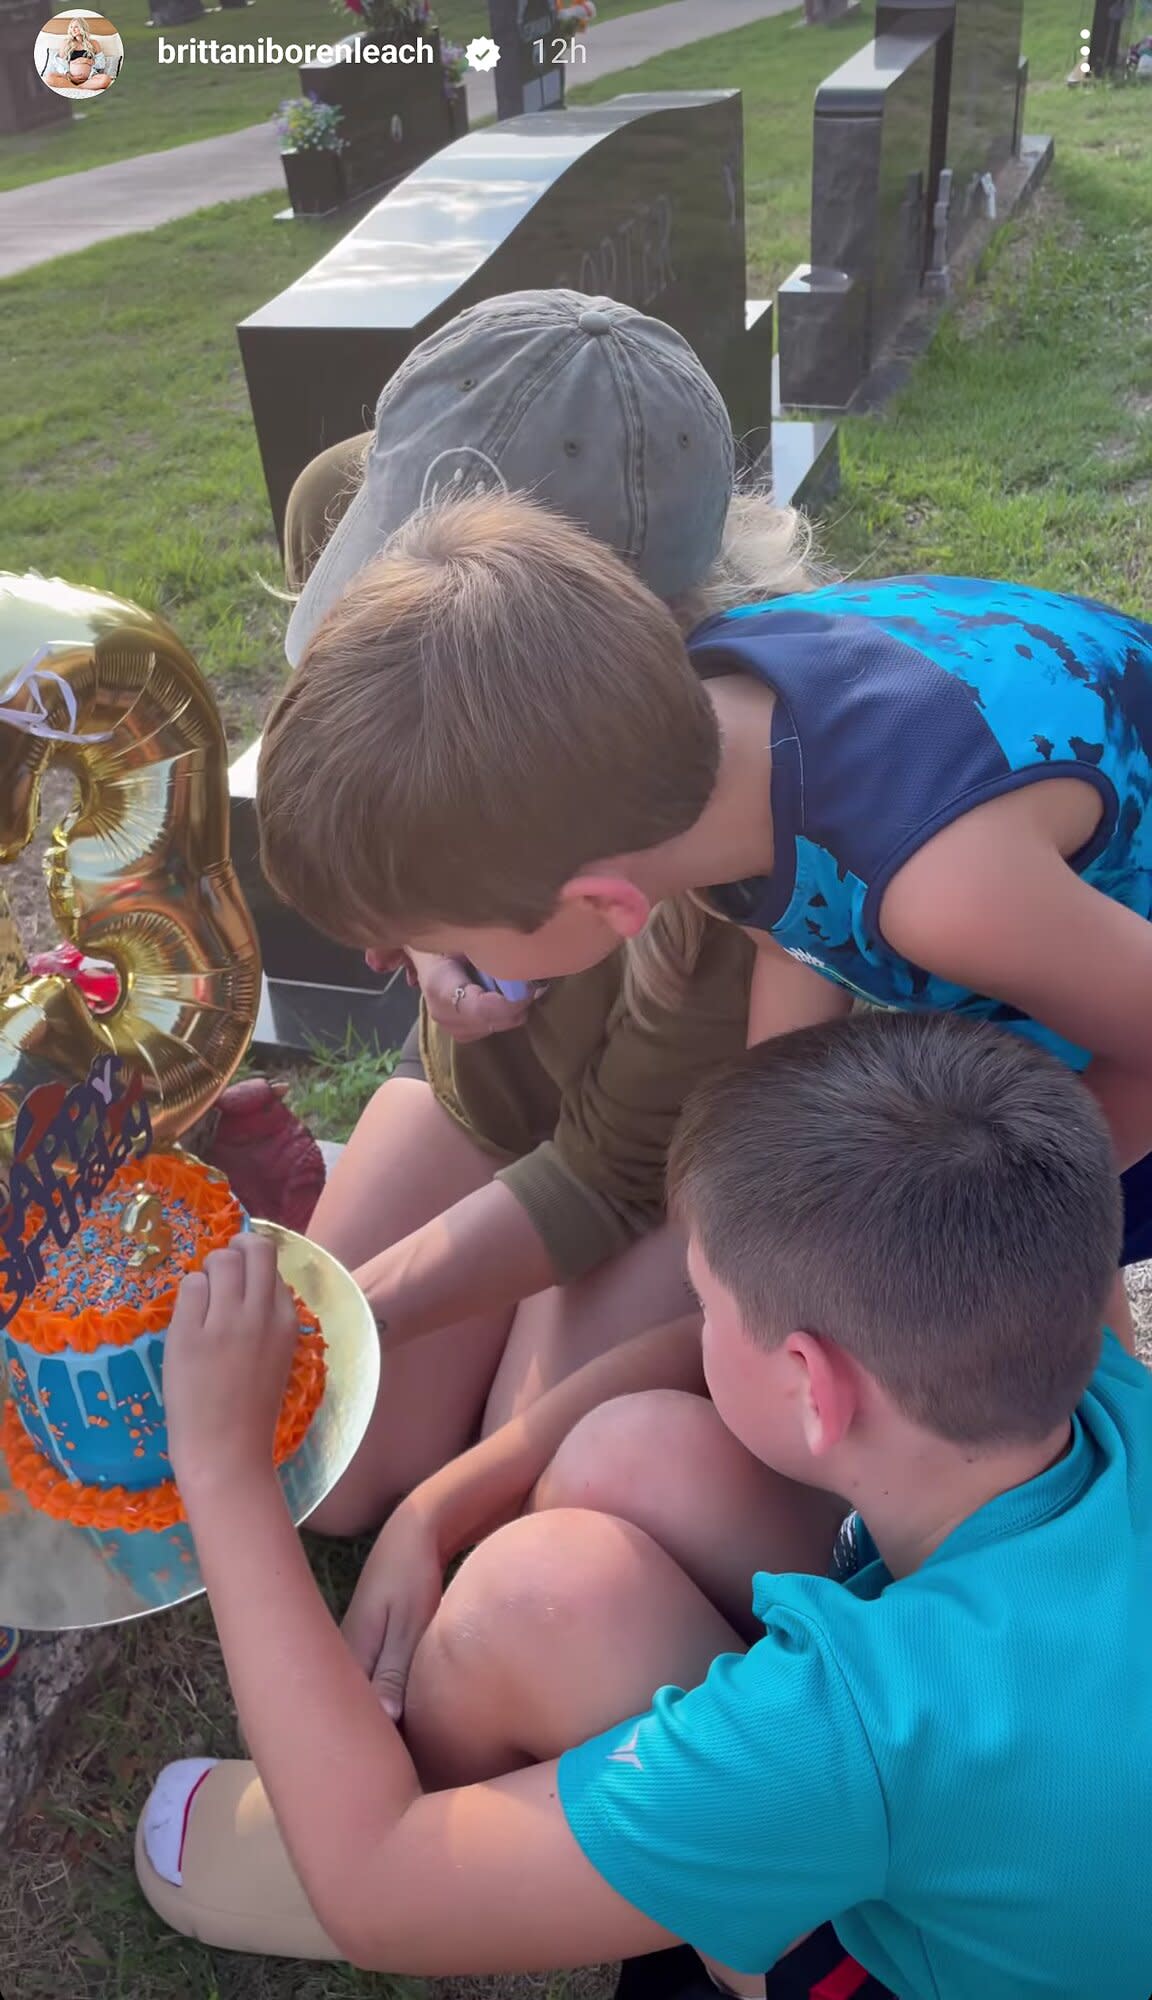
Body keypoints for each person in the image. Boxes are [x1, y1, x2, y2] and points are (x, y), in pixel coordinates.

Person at [136, 1013, 1152, 1996]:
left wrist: (225, 1470)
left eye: (705, 1302)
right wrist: (435, 1507)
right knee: (633, 1453)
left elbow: (375, 1893)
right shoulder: (1085, 1369)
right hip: (1036, 1818)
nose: (692, 1323)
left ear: (813, 1383)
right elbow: (694, 1371)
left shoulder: (856, 1726)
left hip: (891, 1932)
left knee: (518, 1601)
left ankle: (431, 1840)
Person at [256, 489, 1152, 1338]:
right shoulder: (705, 735)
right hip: (1071, 920)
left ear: (607, 908)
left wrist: (1002, 1218)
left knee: (1005, 1279)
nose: (425, 961)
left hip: (1114, 998)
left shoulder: (941, 894)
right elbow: (797, 929)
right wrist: (754, 1152)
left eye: (445, 942)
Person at [274, 291, 809, 1527]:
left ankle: (545, 1336)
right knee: (331, 1473)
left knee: (528, 1511)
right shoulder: (358, 501)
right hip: (494, 1093)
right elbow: (369, 712)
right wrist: (426, 926)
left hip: (648, 1177)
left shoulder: (732, 843)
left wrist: (356, 1309)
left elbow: (614, 1167)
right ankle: (499, 1327)